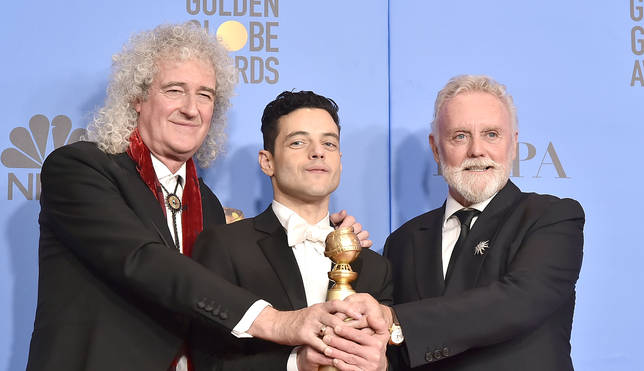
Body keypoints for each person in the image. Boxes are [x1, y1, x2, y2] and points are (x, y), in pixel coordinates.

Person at [26, 23, 377, 371]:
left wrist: (327, 239)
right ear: (137, 97)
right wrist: (275, 321)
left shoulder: (206, 203)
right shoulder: (80, 169)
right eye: (175, 90)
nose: (191, 109)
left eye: (205, 95)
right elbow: (144, 260)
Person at [326, 75, 585, 370]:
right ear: (436, 149)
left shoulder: (551, 218)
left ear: (513, 144)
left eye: (491, 134)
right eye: (460, 136)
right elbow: (399, 351)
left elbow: (517, 302)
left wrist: (396, 318)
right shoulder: (403, 241)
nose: (477, 150)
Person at [191, 90, 392, 371]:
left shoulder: (373, 265)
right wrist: (295, 363)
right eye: (298, 142)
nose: (318, 152)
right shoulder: (226, 247)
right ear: (267, 161)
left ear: (340, 161)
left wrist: (381, 365)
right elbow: (205, 362)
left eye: (329, 144)